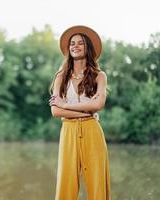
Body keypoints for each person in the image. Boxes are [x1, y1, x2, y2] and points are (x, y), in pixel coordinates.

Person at [49, 25, 111, 200]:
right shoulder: (61, 77)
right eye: (72, 44)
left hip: (92, 131)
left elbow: (98, 104)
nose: (75, 46)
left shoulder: (100, 76)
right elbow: (55, 110)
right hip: (68, 131)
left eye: (80, 43)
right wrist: (86, 111)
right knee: (65, 183)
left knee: (97, 183)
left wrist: (65, 105)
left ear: (88, 47)